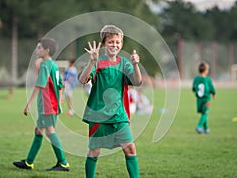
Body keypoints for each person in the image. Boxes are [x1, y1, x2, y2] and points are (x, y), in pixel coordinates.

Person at [79, 25, 142, 178]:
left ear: (121, 44)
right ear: (104, 44)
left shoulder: (124, 63)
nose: (114, 45)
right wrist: (91, 62)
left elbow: (138, 82)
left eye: (117, 42)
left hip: (119, 114)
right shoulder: (98, 62)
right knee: (94, 152)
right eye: (111, 42)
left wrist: (135, 65)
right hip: (99, 115)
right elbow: (82, 80)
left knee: (130, 149)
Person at [13, 38, 70, 171]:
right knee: (38, 131)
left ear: (47, 50)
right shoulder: (53, 65)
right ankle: (29, 162)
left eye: (39, 48)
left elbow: (39, 85)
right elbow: (61, 85)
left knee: (50, 131)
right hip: (51, 104)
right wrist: (59, 100)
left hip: (47, 105)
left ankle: (63, 162)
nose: (36, 50)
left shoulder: (45, 65)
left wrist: (28, 104)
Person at [192, 62, 216, 134]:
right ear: (205, 70)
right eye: (207, 69)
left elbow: (193, 88)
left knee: (203, 113)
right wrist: (214, 93)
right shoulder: (208, 79)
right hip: (206, 99)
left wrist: (196, 91)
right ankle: (199, 126)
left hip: (199, 100)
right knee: (205, 113)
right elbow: (211, 88)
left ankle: (206, 128)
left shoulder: (196, 79)